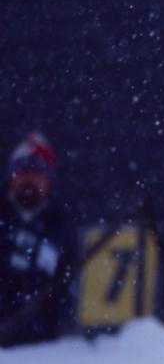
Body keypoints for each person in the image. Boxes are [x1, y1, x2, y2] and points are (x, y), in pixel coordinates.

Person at [0, 132, 79, 347]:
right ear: (11, 176)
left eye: (37, 172)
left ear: (49, 180)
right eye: (24, 171)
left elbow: (67, 291)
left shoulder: (60, 229)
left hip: (41, 348)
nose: (30, 179)